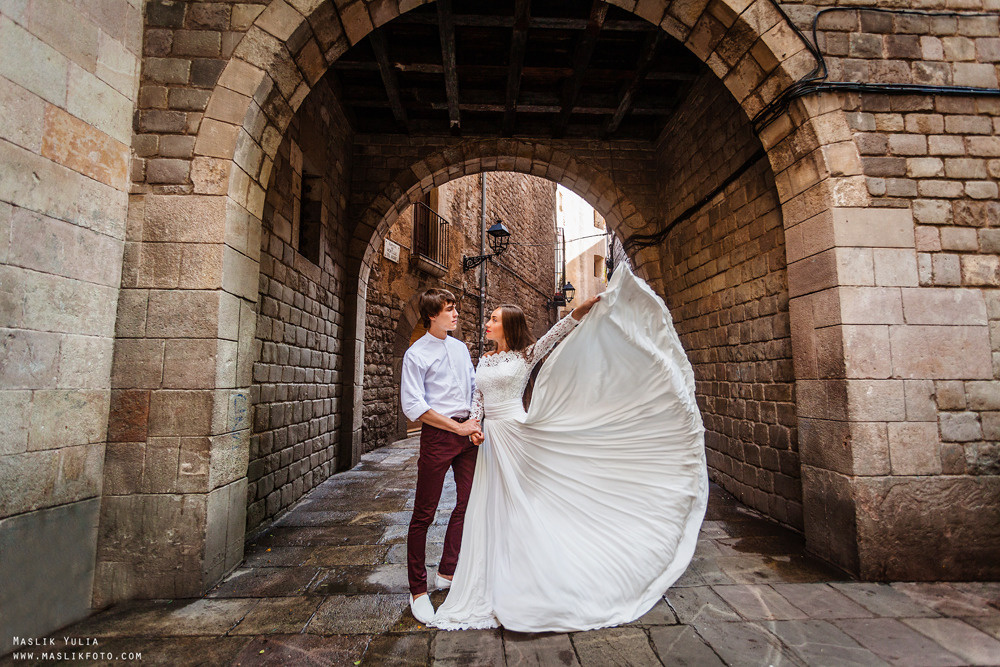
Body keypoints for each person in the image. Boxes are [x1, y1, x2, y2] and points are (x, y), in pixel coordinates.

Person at [431, 264, 708, 632]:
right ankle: (494, 575)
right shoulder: (483, 360)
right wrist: (475, 427)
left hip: (519, 434)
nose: (486, 322)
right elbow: (477, 400)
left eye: (493, 319)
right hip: (492, 442)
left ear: (507, 325)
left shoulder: (526, 355)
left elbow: (558, 331)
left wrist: (585, 307)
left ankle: (536, 576)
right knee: (490, 508)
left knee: (523, 505)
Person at [399, 288, 483, 625]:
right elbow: (414, 405)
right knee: (424, 513)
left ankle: (447, 570)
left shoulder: (460, 348)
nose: (456, 314)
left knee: (468, 502)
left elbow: (475, 387)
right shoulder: (415, 354)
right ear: (432, 314)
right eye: (449, 309)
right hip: (438, 437)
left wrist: (474, 424)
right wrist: (456, 428)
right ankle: (417, 590)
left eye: (455, 308)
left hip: (468, 435)